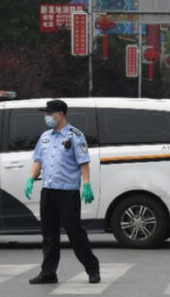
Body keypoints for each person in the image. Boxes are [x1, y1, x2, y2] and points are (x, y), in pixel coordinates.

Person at [25, 99, 100, 285]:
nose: (47, 117)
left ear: (61, 114)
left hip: (67, 192)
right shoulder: (45, 137)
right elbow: (38, 160)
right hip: (48, 191)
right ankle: (48, 272)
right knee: (49, 235)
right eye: (46, 114)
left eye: (50, 113)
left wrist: (87, 184)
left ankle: (92, 269)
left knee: (75, 232)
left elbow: (83, 162)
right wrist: (30, 179)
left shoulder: (75, 136)